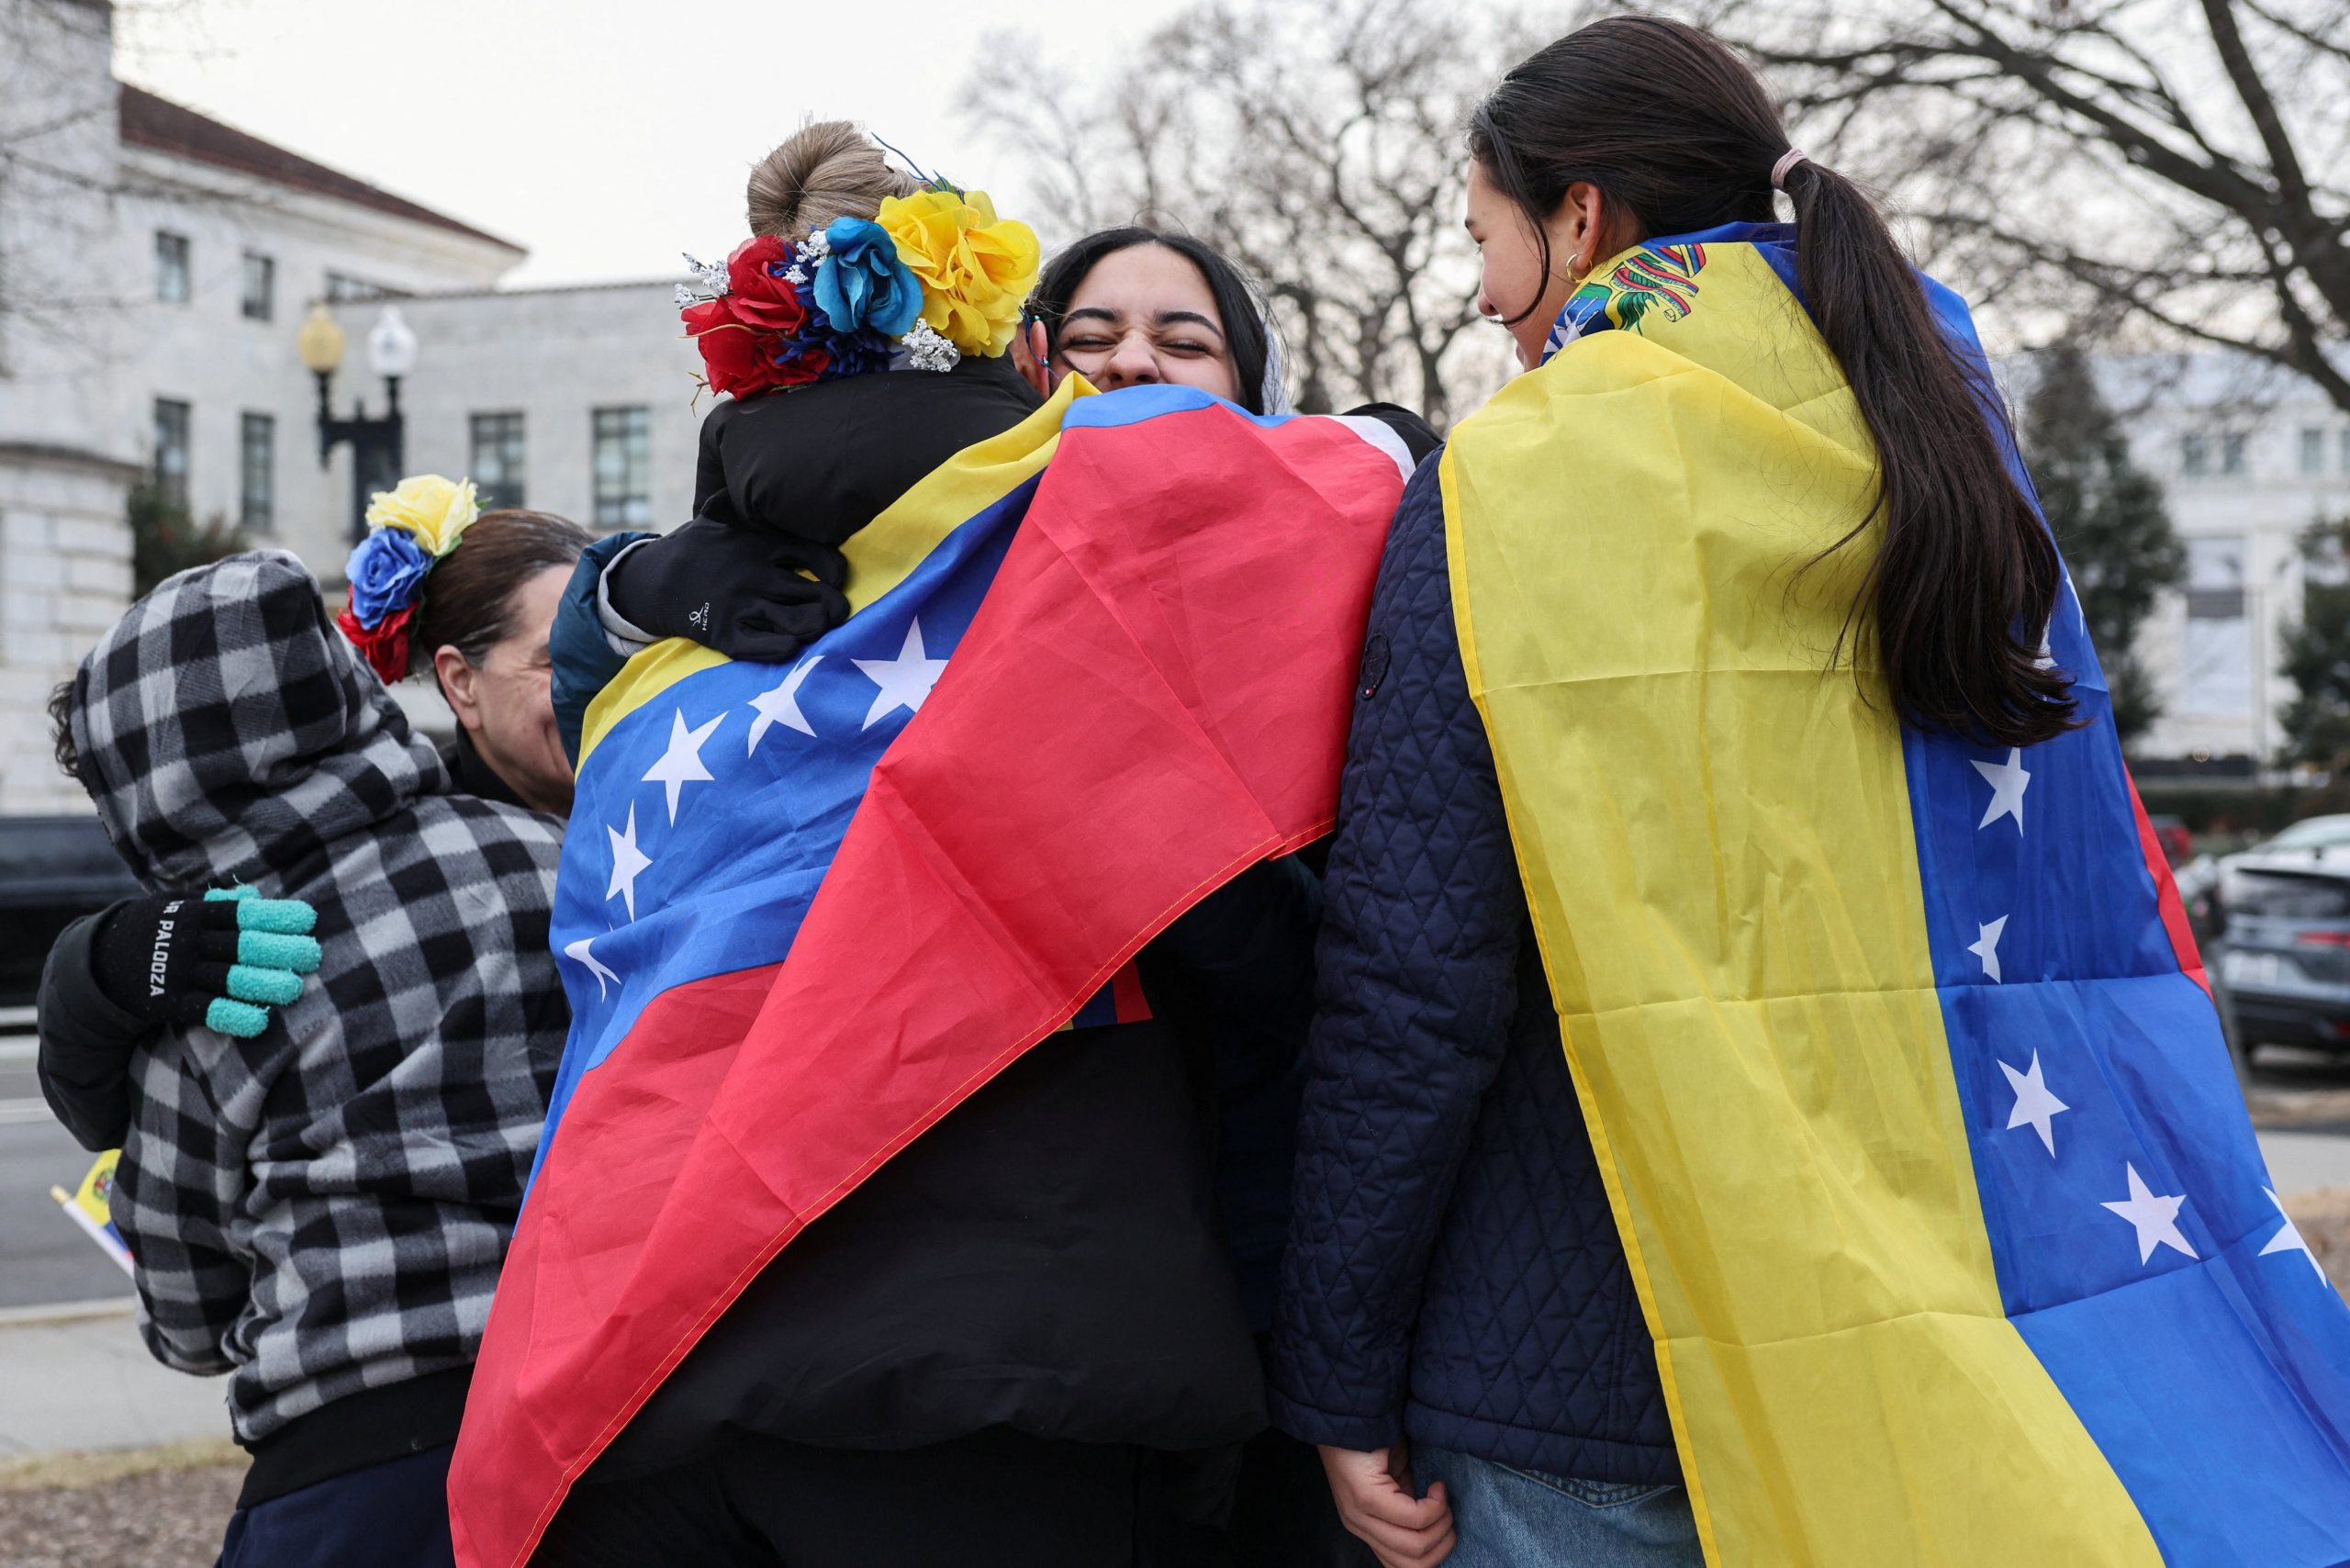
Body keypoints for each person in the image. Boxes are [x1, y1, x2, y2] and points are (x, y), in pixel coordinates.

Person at [1273, 17, 2114, 1568]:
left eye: (1485, 237)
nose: (1477, 288)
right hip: (1931, 1339)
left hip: (1584, 1363)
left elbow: (1416, 978)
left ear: (1579, 216)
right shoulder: (1947, 468)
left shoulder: (1507, 485)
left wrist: (1334, 1361)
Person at [42, 501, 576, 1567]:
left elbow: (189, 1318)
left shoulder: (213, 983)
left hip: (354, 1471)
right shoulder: (550, 865)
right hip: (594, 1410)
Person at [37, 498, 588, 1153]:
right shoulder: (328, 866)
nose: (604, 685)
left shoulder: (699, 810)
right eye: (560, 659)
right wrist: (99, 969)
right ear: (460, 682)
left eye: (625, 651)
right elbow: (103, 1116)